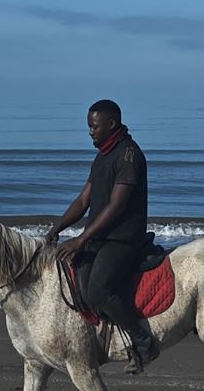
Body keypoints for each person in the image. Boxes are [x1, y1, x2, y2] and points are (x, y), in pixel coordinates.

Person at [46, 99, 159, 372]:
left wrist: (81, 239)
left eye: (94, 127)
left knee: (98, 289)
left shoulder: (129, 155)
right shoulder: (102, 157)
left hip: (123, 238)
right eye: (88, 126)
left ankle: (144, 342)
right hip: (101, 237)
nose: (90, 132)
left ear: (111, 124)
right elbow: (83, 200)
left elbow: (117, 206)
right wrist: (57, 228)